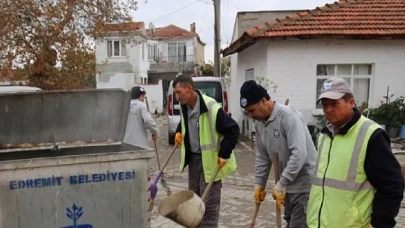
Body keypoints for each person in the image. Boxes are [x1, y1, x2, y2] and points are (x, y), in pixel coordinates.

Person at [306, 77, 404, 228]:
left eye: (335, 104)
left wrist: (379, 224)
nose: (328, 109)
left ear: (351, 103)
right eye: (325, 105)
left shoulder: (371, 135)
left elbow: (392, 186)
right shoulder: (325, 135)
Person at [240, 80, 317, 228]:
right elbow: (262, 156)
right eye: (247, 112)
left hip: (304, 185)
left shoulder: (288, 117)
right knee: (290, 221)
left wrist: (282, 183)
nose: (250, 115)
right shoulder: (259, 122)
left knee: (299, 224)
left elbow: (299, 154)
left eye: (252, 110)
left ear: (263, 101)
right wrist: (259, 184)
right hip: (287, 186)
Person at [173, 74, 240, 227]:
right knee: (194, 202)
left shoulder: (212, 108)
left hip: (211, 163)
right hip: (194, 161)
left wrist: (224, 154)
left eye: (178, 92)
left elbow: (233, 130)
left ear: (189, 89)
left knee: (208, 206)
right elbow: (186, 122)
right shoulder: (185, 105)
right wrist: (179, 132)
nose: (177, 97)